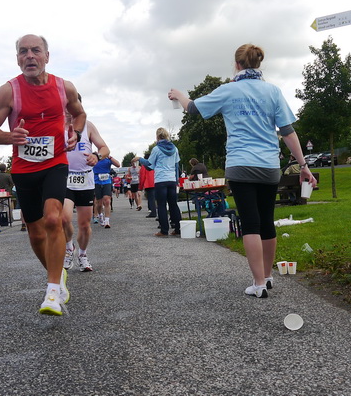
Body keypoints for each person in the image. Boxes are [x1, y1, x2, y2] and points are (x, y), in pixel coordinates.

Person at [169, 43, 317, 298]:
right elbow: (287, 131)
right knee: (266, 221)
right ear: (258, 63)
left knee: (250, 223)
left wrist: (179, 95)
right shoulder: (273, 91)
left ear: (237, 64)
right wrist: (303, 166)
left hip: (241, 165)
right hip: (269, 166)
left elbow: (193, 108)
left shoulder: (229, 90)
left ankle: (258, 284)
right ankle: (267, 277)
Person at [0, 34, 86, 316]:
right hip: (24, 168)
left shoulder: (64, 87)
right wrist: (10, 137)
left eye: (35, 51)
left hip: (55, 162)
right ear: (17, 58)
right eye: (23, 51)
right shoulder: (8, 91)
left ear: (47, 56)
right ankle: (57, 275)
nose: (29, 56)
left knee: (54, 219)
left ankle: (51, 292)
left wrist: (76, 133)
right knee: (36, 232)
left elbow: (80, 114)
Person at [62, 102, 110, 272]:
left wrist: (96, 155)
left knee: (84, 225)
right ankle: (69, 248)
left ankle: (82, 254)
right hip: (65, 178)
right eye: (65, 106)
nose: (69, 111)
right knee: (64, 218)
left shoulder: (88, 126)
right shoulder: (57, 126)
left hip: (85, 180)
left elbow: (105, 148)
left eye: (72, 107)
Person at [133, 128, 181, 237]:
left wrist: (140, 159)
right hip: (172, 180)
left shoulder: (156, 149)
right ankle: (178, 229)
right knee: (173, 205)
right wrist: (177, 181)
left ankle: (164, 231)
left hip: (161, 180)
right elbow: (176, 166)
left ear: (158, 137)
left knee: (161, 205)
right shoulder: (175, 149)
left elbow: (149, 165)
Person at [93, 155, 121, 228]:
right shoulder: (95, 158)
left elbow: (118, 164)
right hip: (97, 182)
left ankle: (107, 221)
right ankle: (100, 215)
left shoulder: (108, 159)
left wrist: (110, 157)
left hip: (107, 182)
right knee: (99, 204)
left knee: (107, 201)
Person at [139, 153, 156, 218]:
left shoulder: (144, 166)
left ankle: (153, 212)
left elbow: (142, 177)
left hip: (149, 183)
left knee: (151, 199)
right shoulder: (155, 164)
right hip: (157, 182)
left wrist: (140, 187)